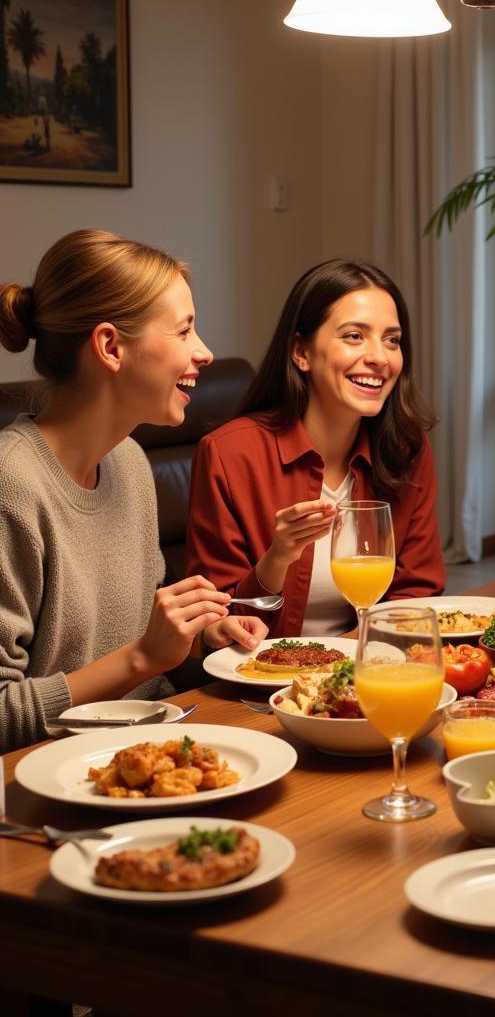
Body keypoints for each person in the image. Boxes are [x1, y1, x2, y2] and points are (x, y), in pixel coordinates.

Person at [0, 230, 267, 752]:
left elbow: (136, 630)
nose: (205, 352)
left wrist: (197, 636)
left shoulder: (126, 460)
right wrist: (144, 657)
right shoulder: (12, 485)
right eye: (185, 331)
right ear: (110, 347)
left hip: (159, 746)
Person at [186, 259, 445, 638]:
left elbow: (417, 592)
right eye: (354, 336)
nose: (379, 357)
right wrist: (277, 559)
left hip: (373, 668)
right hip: (264, 680)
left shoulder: (405, 448)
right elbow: (220, 624)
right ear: (301, 352)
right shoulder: (229, 454)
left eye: (392, 339)